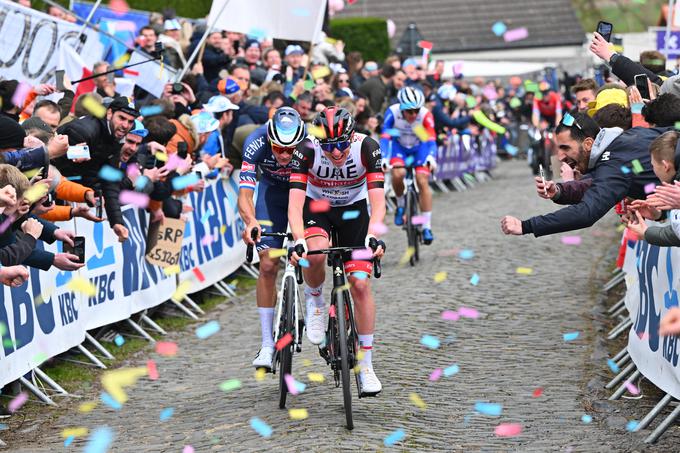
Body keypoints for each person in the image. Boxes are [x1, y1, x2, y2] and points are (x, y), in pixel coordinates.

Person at [288, 106, 386, 396]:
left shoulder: (367, 147)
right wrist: (297, 239)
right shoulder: (306, 149)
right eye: (329, 146)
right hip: (317, 207)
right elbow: (295, 203)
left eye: (342, 144)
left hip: (354, 210)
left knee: (359, 284)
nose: (337, 152)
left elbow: (378, 202)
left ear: (351, 137)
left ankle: (366, 365)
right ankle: (316, 301)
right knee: (315, 251)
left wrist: (373, 236)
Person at [501, 112, 670, 237]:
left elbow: (586, 212)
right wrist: (560, 191)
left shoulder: (613, 164)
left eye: (565, 148)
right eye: (558, 149)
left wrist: (526, 226)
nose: (560, 157)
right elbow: (597, 184)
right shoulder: (628, 138)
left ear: (588, 143)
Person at [238, 107, 306, 370]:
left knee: (315, 254)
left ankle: (315, 309)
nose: (285, 156)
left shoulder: (311, 143)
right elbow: (245, 193)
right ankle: (267, 343)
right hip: (271, 197)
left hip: (304, 194)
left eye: (291, 150)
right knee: (267, 265)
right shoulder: (255, 141)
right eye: (279, 149)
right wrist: (250, 221)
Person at [55, 96, 138, 243]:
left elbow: (110, 182)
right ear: (109, 113)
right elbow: (49, 160)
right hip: (49, 187)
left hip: (72, 190)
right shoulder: (84, 131)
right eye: (122, 118)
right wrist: (69, 154)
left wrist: (116, 222)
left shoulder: (116, 139)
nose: (125, 125)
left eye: (130, 122)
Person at [380, 87, 437, 244]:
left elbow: (431, 140)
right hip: (400, 149)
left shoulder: (425, 115)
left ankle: (426, 226)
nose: (413, 115)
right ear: (401, 108)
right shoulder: (392, 112)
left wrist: (431, 158)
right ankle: (400, 205)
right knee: (398, 174)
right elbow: (385, 138)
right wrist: (383, 158)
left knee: (422, 180)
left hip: (420, 148)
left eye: (416, 111)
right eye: (409, 111)